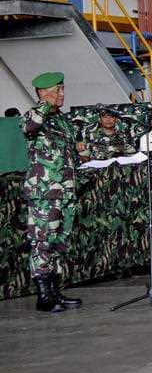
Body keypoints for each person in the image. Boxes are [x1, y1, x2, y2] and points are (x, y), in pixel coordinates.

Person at [21, 72, 83, 312]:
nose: (62, 94)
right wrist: (45, 102)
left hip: (66, 192)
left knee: (59, 242)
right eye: (57, 90)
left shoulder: (63, 121)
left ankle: (55, 292)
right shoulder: (33, 116)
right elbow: (29, 126)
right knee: (42, 241)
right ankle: (44, 295)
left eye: (63, 89)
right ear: (42, 93)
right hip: (44, 193)